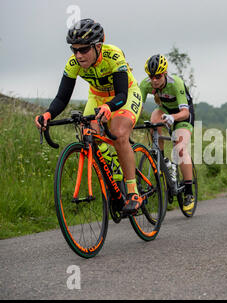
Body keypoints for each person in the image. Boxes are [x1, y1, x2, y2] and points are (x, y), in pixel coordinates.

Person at [34, 18, 144, 214]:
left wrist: (110, 108)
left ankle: (133, 192)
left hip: (124, 94)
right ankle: (113, 178)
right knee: (89, 134)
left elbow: (121, 95)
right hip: (97, 96)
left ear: (98, 46)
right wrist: (48, 114)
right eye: (74, 50)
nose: (78, 55)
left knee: (118, 134)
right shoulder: (73, 63)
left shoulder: (113, 55)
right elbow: (62, 97)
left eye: (84, 49)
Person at [139, 54, 196, 213]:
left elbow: (185, 112)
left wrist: (173, 117)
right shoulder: (145, 85)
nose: (154, 80)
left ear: (164, 73)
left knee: (180, 147)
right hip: (165, 111)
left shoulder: (175, 83)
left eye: (158, 76)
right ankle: (162, 157)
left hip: (183, 114)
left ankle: (189, 193)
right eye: (151, 77)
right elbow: (137, 108)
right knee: (153, 119)